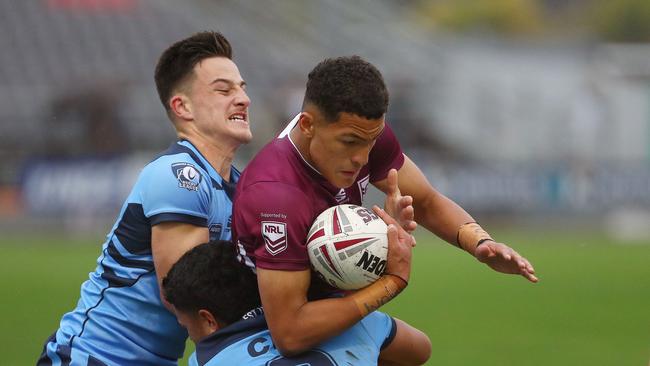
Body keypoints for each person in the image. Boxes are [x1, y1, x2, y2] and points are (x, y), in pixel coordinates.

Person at [232, 55, 538, 356]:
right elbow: (290, 333)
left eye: (371, 141)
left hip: (323, 297)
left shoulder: (363, 133)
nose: (363, 158)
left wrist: (481, 244)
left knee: (416, 350)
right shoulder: (277, 194)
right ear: (308, 124)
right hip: (262, 323)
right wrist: (391, 281)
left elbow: (426, 201)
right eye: (350, 143)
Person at [37, 31, 251, 365]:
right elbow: (188, 294)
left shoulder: (238, 183)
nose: (242, 99)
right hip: (94, 357)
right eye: (224, 90)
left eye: (242, 88)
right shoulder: (181, 176)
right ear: (182, 107)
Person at [162, 233, 430, 365]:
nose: (190, 338)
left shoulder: (208, 358)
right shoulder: (352, 324)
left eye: (186, 328)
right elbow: (420, 350)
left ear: (208, 320)